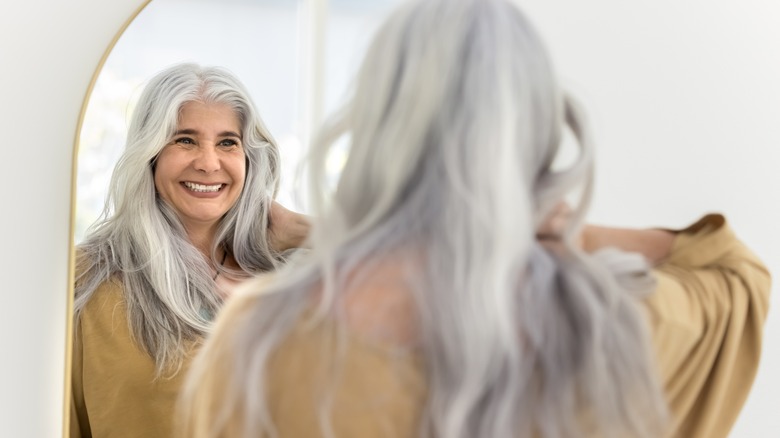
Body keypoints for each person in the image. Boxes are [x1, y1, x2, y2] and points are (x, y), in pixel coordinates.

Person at [178, 1, 771, 437]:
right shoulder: (613, 329)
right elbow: (736, 270)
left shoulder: (261, 340)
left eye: (228, 142)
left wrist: (327, 233)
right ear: (535, 124)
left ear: (379, 119)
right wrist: (566, 230)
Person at [70, 62, 309, 438]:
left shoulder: (293, 275)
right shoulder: (85, 277)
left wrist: (308, 232)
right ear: (150, 153)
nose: (209, 163)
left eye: (228, 142)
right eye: (185, 140)